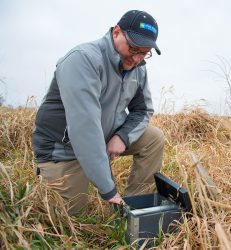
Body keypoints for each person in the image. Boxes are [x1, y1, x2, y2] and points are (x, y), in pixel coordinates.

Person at [32, 10, 164, 214]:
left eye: (145, 52)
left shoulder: (138, 67)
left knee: (154, 138)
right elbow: (85, 129)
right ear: (116, 32)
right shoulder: (83, 59)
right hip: (64, 150)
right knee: (72, 222)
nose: (137, 58)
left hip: (104, 136)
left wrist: (122, 136)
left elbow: (143, 110)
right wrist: (109, 190)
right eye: (134, 48)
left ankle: (135, 209)